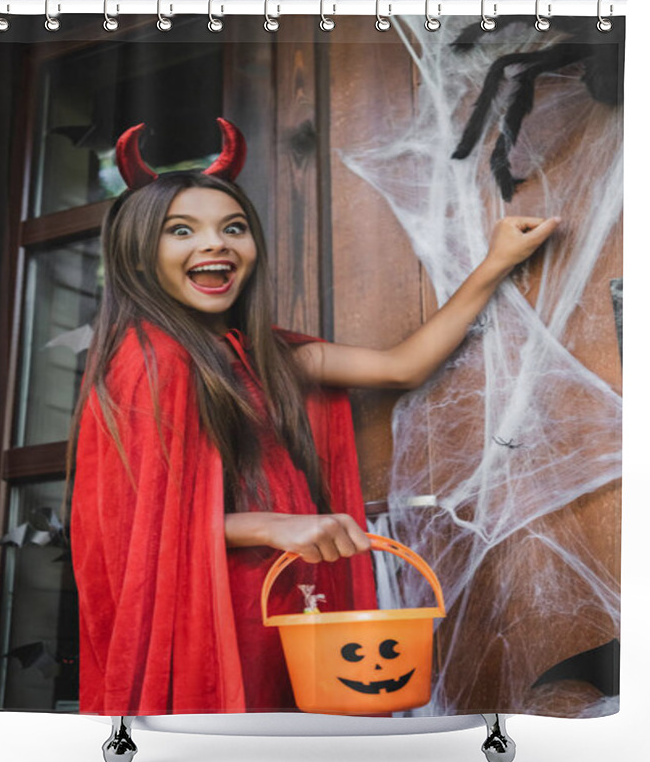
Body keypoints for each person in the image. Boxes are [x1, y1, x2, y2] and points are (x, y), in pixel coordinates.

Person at [66, 118, 559, 716]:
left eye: (234, 228)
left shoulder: (270, 355)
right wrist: (271, 525)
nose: (216, 243)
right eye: (181, 231)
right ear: (139, 259)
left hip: (294, 596)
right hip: (212, 610)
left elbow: (403, 366)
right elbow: (133, 532)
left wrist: (497, 262)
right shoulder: (148, 360)